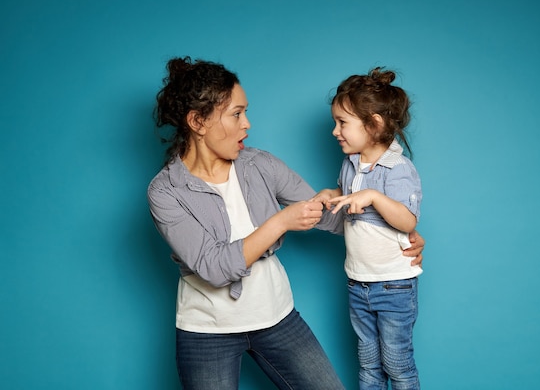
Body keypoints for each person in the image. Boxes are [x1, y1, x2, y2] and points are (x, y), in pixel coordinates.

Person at [147, 56, 425, 390]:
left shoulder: (260, 164)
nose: (247, 124)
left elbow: (331, 216)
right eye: (236, 114)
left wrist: (396, 235)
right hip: (207, 331)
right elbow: (215, 268)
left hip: (277, 318)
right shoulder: (165, 191)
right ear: (198, 121)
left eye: (245, 111)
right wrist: (281, 221)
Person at [315, 67, 423, 390]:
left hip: (394, 286)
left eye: (342, 123)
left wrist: (374, 196)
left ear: (374, 124)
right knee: (368, 364)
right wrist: (330, 195)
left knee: (397, 363)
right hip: (358, 283)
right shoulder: (350, 163)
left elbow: (408, 220)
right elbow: (349, 199)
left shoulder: (398, 168)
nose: (335, 131)